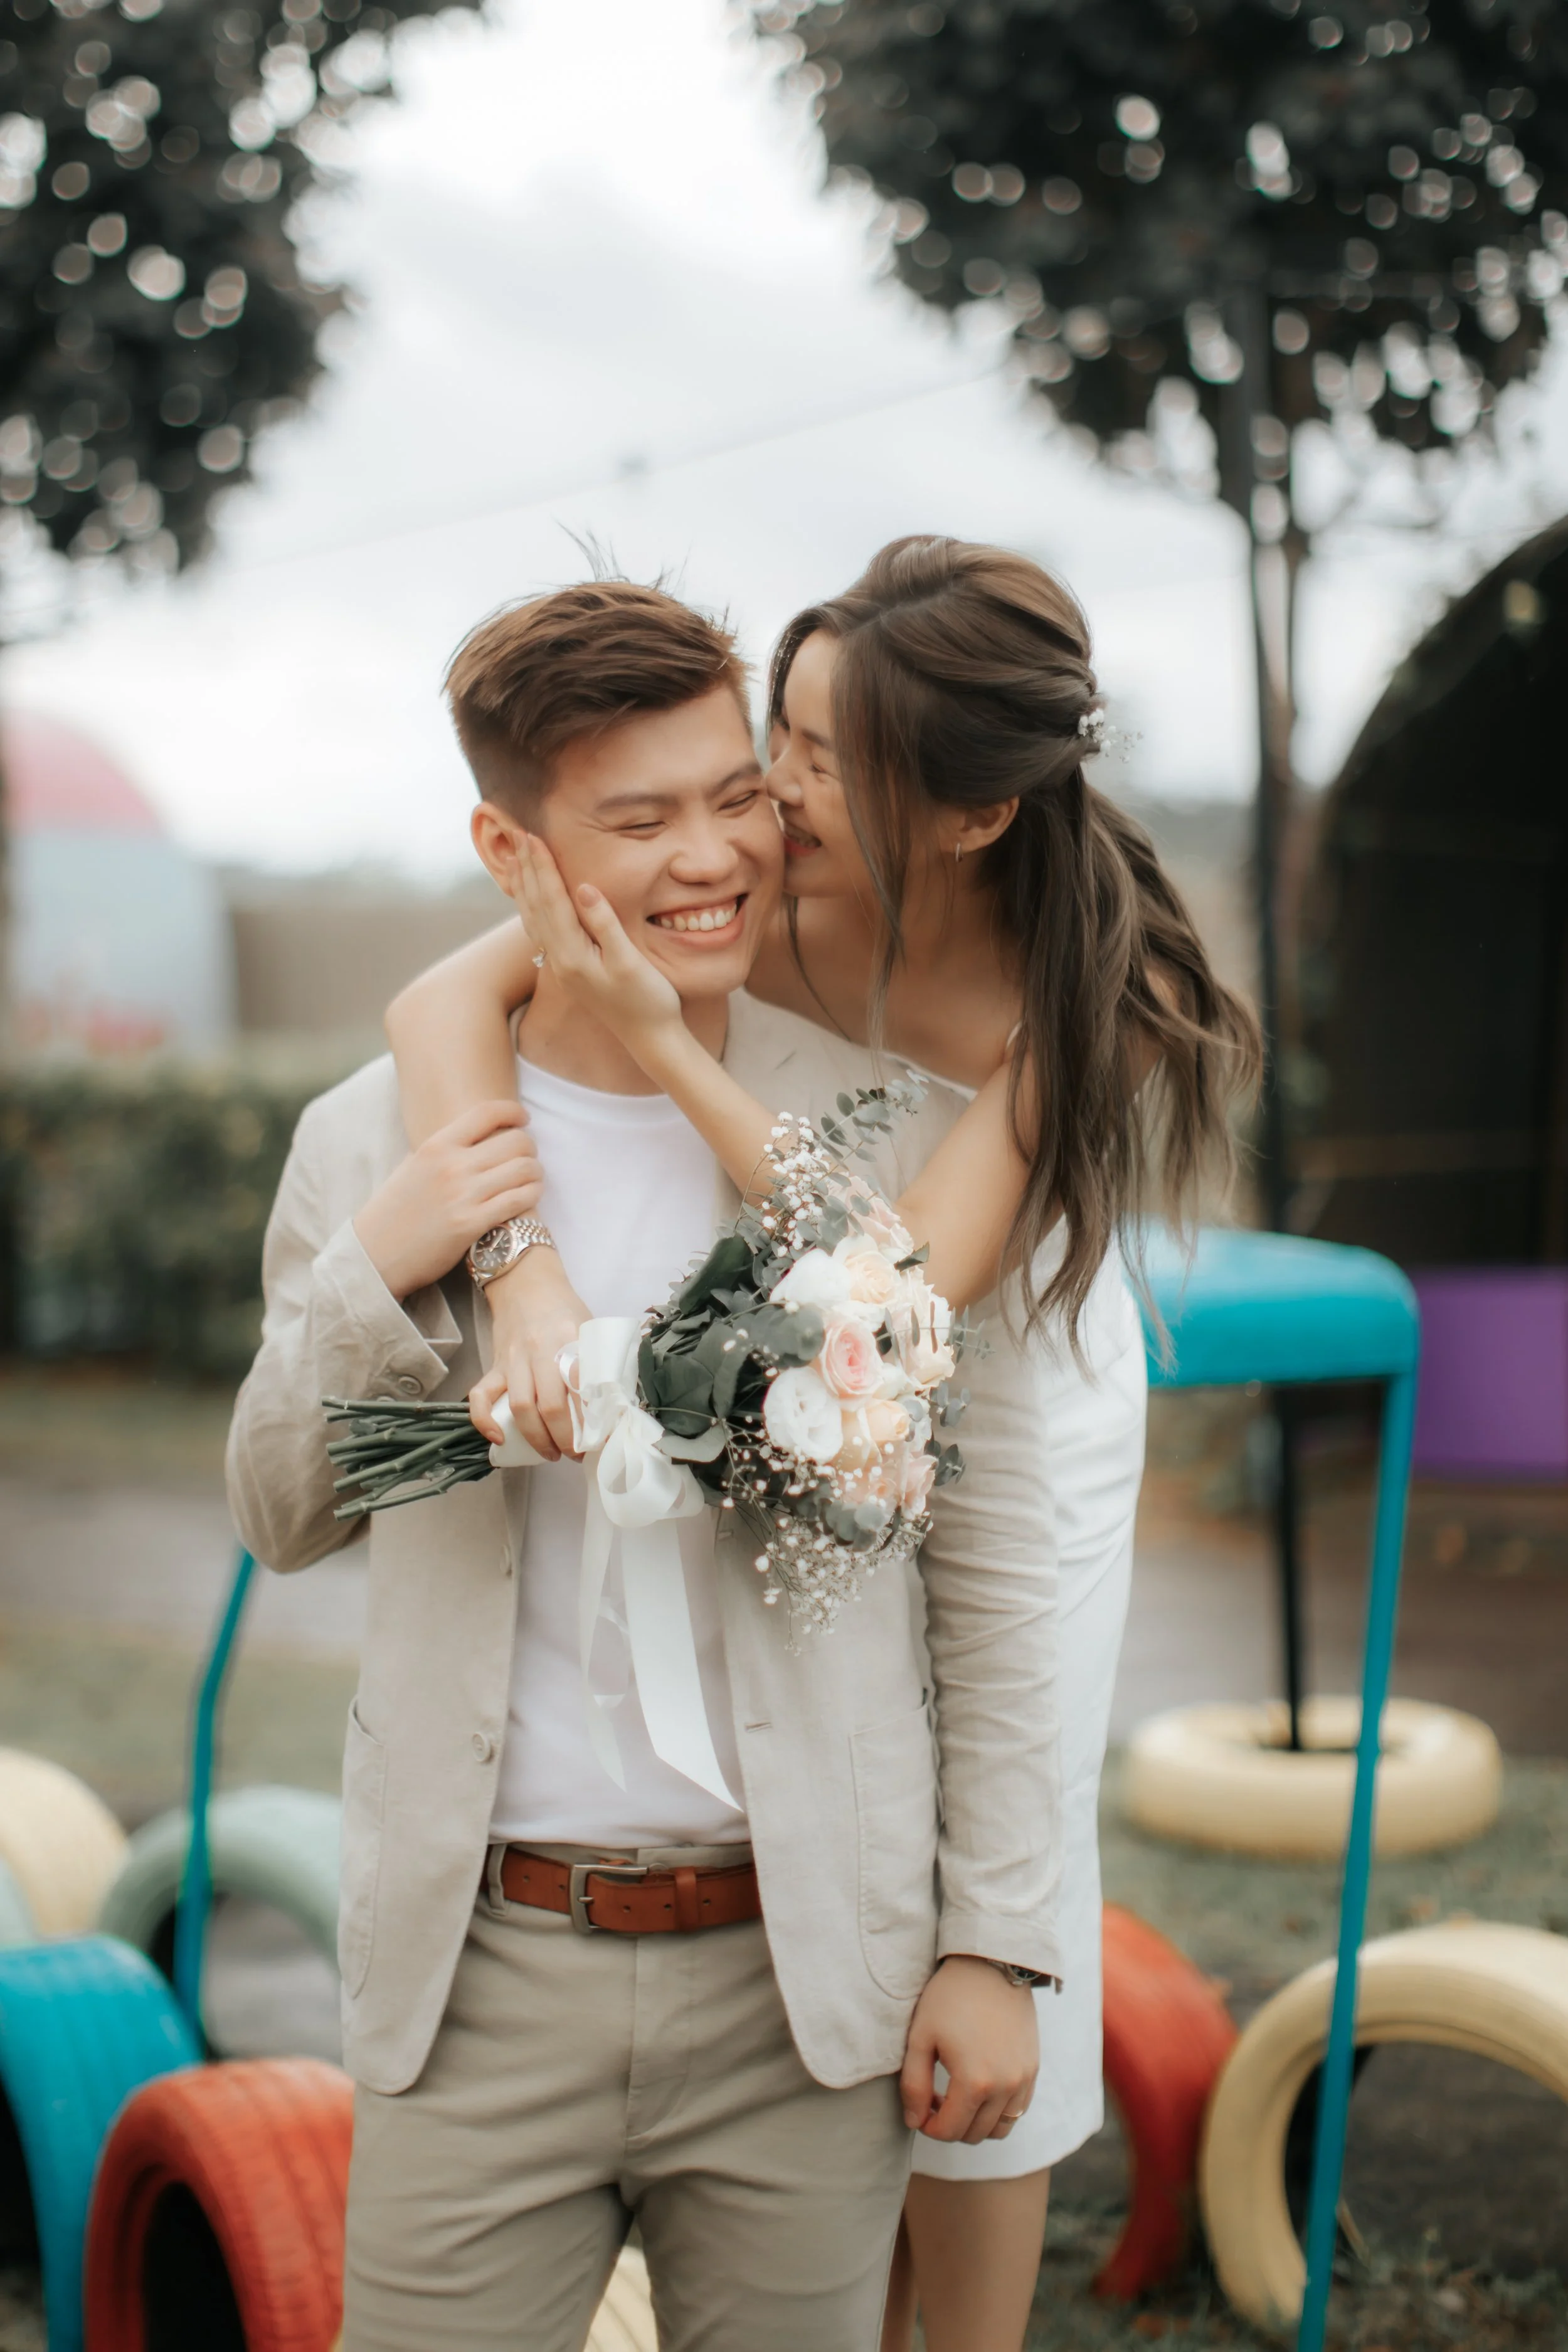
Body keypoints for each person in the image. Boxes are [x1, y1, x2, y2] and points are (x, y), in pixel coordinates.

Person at [386, 538, 1259, 2352]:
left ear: (966, 814)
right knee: (831, 1749)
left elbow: (899, 1297)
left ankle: (970, 2306)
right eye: (778, 728)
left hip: (995, 1358)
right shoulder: (760, 876)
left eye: (816, 758)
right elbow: (438, 1006)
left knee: (991, 1794)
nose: (766, 791)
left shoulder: (1080, 1003)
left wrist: (666, 1046)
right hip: (789, 1314)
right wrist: (521, 1270)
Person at [226, 576, 1064, 2352]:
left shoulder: (874, 1141)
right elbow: (281, 1511)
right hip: (476, 1978)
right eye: (639, 819)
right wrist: (383, 1267)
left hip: (802, 1979)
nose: (712, 857)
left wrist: (994, 1939)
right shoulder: (372, 1143)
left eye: (736, 795)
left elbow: (987, 1574)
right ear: (510, 850)